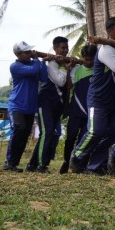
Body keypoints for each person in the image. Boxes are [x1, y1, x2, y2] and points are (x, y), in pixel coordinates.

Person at [70, 17, 115, 174]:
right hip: (99, 98)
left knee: (113, 134)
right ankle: (76, 156)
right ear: (109, 32)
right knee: (96, 131)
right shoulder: (106, 50)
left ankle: (94, 166)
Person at [27, 37, 72, 172]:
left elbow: (68, 85)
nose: (65, 50)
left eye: (66, 48)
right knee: (47, 133)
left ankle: (32, 165)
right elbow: (60, 82)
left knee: (54, 133)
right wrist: (65, 69)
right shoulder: (51, 63)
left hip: (57, 105)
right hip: (45, 103)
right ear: (55, 49)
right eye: (62, 48)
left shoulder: (66, 63)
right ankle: (42, 165)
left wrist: (67, 68)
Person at [4, 42, 49, 172]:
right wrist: (37, 59)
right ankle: (9, 161)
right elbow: (34, 70)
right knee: (19, 128)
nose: (30, 53)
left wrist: (43, 63)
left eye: (30, 51)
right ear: (18, 54)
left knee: (24, 135)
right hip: (16, 105)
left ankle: (13, 164)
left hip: (30, 107)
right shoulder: (15, 66)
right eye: (27, 52)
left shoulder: (33, 64)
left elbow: (44, 77)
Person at [60, 44, 95, 174]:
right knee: (70, 138)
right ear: (82, 58)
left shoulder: (99, 70)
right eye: (86, 59)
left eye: (92, 59)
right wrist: (68, 70)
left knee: (84, 139)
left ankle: (79, 164)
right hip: (75, 110)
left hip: (90, 112)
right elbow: (69, 86)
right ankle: (65, 161)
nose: (89, 62)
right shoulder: (77, 69)